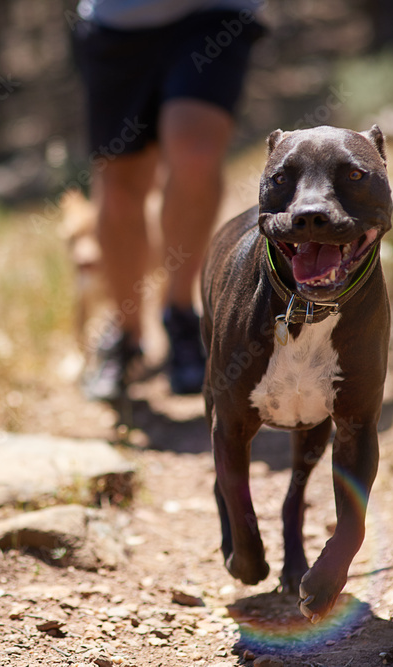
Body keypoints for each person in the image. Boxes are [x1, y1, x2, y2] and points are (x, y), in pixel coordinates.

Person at [72, 0, 265, 401]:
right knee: (121, 188)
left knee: (195, 157)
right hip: (117, 22)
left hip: (214, 14)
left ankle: (179, 314)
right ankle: (127, 334)